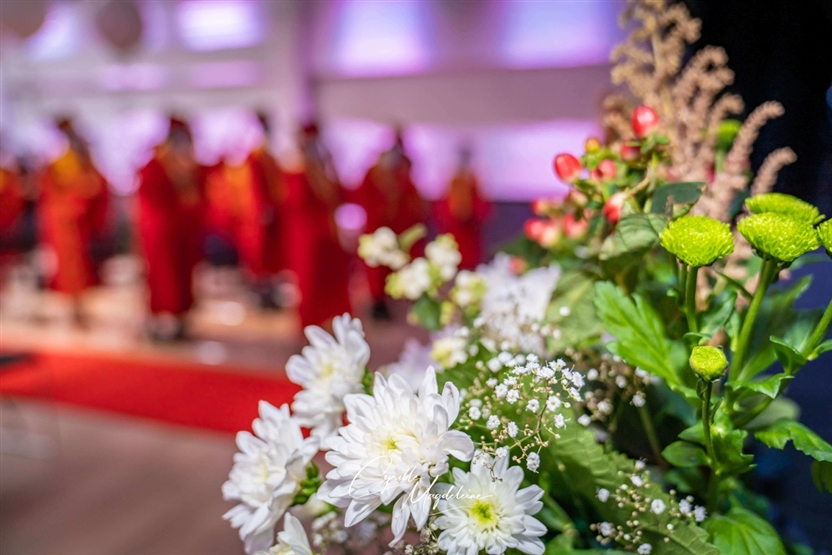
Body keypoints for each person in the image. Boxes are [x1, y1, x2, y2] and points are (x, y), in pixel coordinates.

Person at [136, 116, 206, 340]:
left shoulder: (184, 163)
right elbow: (154, 201)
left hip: (181, 230)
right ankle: (165, 322)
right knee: (165, 277)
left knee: (182, 275)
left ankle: (179, 319)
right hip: (161, 231)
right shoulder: (155, 165)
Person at [38, 118, 110, 326]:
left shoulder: (80, 158)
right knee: (69, 266)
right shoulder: (58, 161)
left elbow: (95, 183)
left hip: (79, 222)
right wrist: (78, 196)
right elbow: (53, 191)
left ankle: (78, 306)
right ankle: (72, 307)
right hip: (64, 221)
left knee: (83, 264)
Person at [282, 121, 352, 329]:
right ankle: (311, 323)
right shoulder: (297, 170)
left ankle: (331, 320)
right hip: (307, 236)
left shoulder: (320, 171)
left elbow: (338, 196)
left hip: (326, 233)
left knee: (329, 280)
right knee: (309, 280)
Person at [355, 129, 426, 319]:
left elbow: (412, 204)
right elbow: (364, 199)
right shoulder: (374, 174)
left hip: (399, 231)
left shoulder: (402, 175)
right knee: (377, 270)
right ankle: (378, 304)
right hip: (378, 231)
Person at [435, 145, 490, 270]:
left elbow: (483, 211)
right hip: (453, 239)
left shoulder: (474, 183)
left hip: (470, 242)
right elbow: (441, 212)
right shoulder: (452, 183)